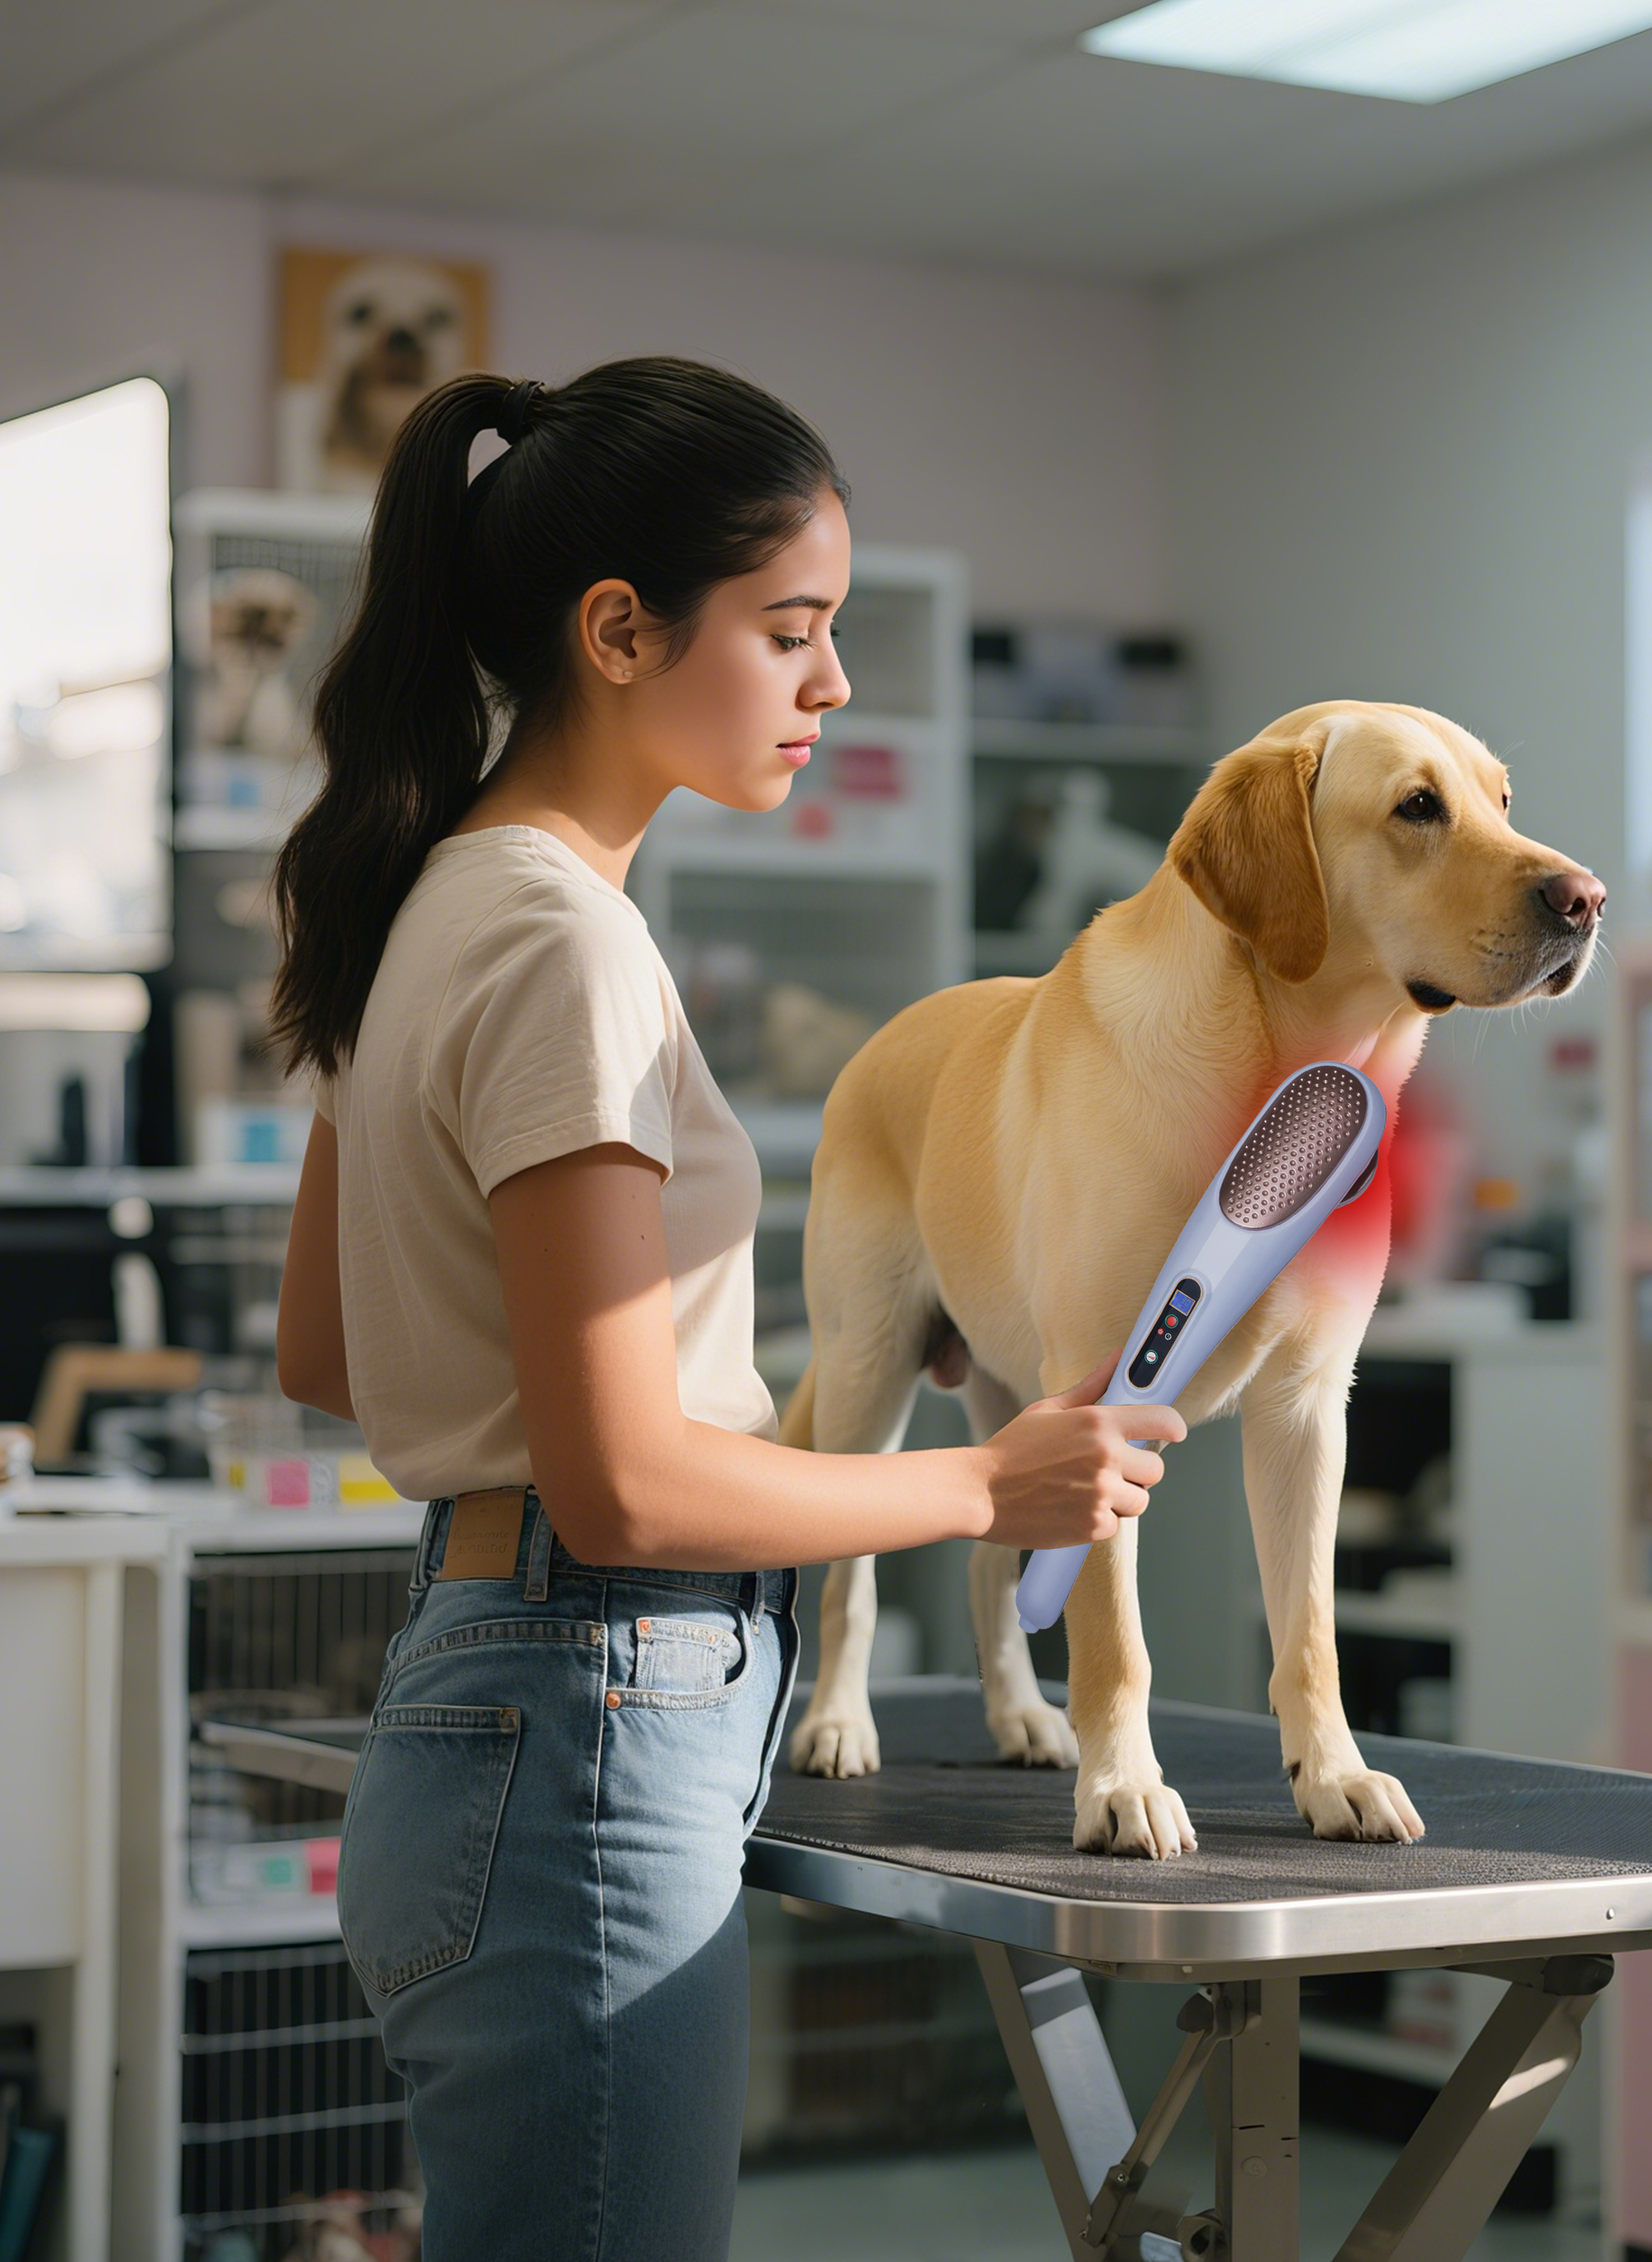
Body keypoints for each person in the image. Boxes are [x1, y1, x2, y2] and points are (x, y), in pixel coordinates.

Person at [267, 359, 1185, 2261]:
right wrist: (982, 1486)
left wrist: (726, 1419)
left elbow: (333, 1352)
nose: (831, 683)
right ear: (618, 629)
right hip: (589, 1695)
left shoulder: (425, 894)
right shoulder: (559, 945)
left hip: (489, 1689)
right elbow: (619, 1490)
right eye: (790, 631)